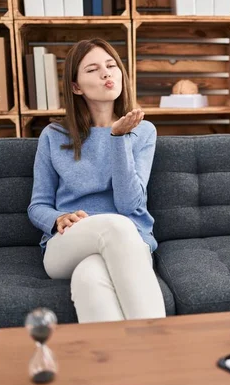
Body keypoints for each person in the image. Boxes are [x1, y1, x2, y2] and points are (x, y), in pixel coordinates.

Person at [27, 38, 165, 324]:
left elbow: (128, 203)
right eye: (93, 69)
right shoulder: (54, 135)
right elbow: (37, 205)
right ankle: (159, 345)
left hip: (128, 240)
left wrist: (118, 138)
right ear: (76, 86)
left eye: (111, 65)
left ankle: (118, 367)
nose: (106, 73)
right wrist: (57, 218)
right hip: (67, 244)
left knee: (89, 279)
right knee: (114, 225)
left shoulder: (143, 132)